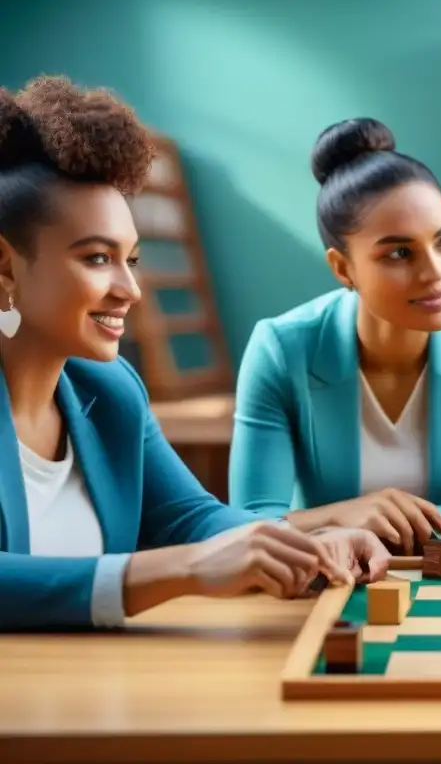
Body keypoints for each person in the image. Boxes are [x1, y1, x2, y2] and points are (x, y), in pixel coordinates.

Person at [0, 76, 390, 632]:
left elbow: (189, 517)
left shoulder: (110, 389)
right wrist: (182, 568)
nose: (130, 290)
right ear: (6, 266)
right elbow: (190, 553)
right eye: (95, 259)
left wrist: (305, 544)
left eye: (130, 259)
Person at [229, 118, 441, 556]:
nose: (436, 275)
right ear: (343, 268)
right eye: (400, 253)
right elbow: (250, 526)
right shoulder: (281, 350)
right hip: (329, 592)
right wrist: (344, 515)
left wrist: (357, 532)